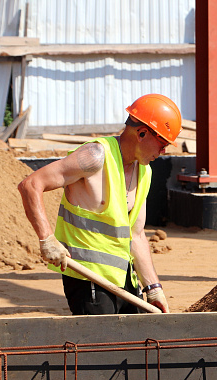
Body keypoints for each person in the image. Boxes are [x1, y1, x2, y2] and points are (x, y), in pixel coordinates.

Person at [18, 94, 181, 315]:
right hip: (89, 280)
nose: (163, 152)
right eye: (162, 144)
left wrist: (153, 287)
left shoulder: (145, 172)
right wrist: (47, 239)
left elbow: (137, 234)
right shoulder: (95, 156)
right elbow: (31, 184)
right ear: (142, 133)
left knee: (139, 344)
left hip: (124, 278)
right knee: (102, 347)